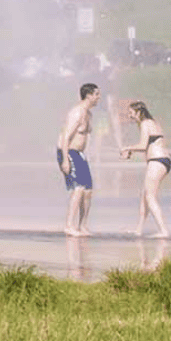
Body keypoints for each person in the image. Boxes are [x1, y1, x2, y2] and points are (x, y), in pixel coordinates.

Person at [121, 100, 171, 237]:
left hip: (157, 161)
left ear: (139, 112)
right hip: (162, 161)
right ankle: (139, 229)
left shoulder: (145, 123)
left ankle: (163, 231)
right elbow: (148, 145)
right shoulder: (153, 122)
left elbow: (143, 146)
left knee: (150, 197)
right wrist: (131, 150)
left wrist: (127, 148)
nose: (130, 116)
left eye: (131, 113)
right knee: (145, 195)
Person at [57, 82, 101, 236]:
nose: (98, 97)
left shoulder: (88, 114)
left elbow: (85, 137)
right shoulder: (77, 113)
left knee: (88, 191)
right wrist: (64, 159)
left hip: (80, 154)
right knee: (79, 189)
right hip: (69, 151)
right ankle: (69, 225)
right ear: (88, 95)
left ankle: (82, 225)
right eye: (96, 94)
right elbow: (66, 136)